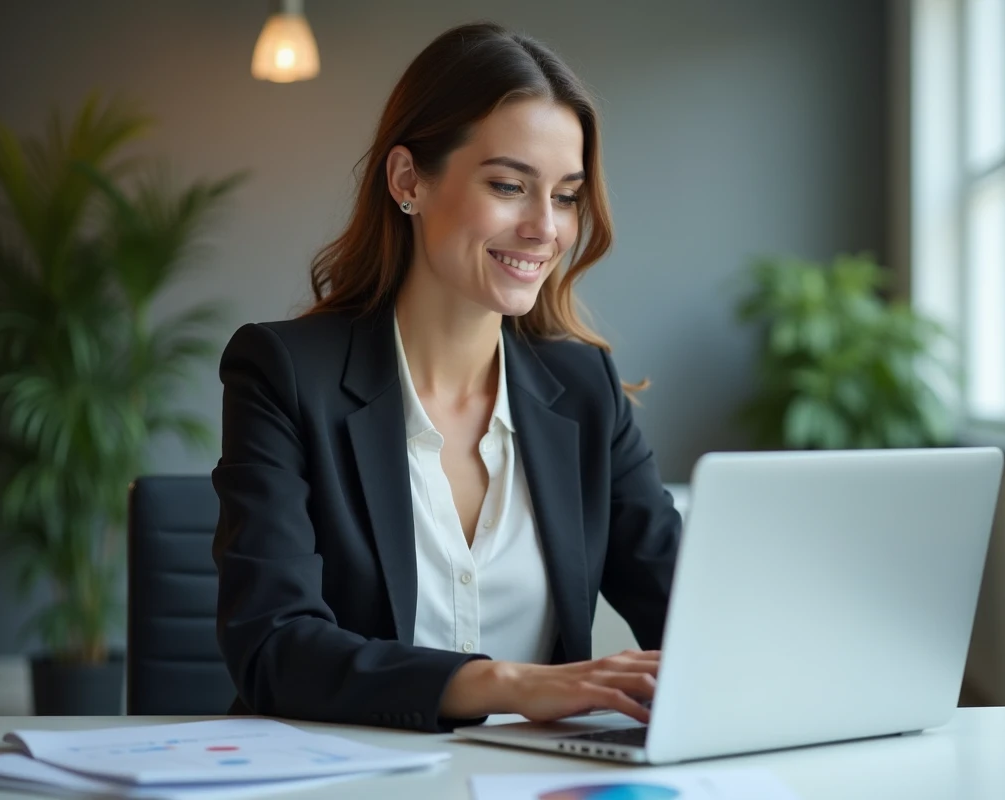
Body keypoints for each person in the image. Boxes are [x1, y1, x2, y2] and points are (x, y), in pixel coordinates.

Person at [211, 21, 682, 734]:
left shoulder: (585, 390)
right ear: (408, 181)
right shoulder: (283, 374)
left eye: (564, 196)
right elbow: (274, 649)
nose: (544, 228)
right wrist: (510, 684)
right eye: (509, 185)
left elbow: (688, 611)